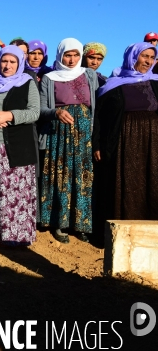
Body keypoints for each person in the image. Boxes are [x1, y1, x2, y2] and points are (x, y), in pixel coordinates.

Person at [38, 38, 98, 243]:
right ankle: (60, 223)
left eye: (75, 55)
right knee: (60, 175)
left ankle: (81, 225)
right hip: (59, 132)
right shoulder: (49, 78)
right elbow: (41, 109)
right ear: (60, 55)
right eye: (67, 55)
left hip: (83, 134)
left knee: (82, 176)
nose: (71, 60)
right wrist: (56, 112)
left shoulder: (89, 75)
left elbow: (94, 107)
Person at [93, 42, 158, 222]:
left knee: (153, 180)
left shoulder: (155, 82)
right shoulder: (112, 86)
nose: (148, 61)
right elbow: (99, 118)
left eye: (152, 58)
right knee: (127, 181)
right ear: (132, 57)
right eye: (144, 56)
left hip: (154, 142)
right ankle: (125, 224)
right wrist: (97, 144)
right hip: (124, 142)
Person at [0, 46, 40, 246]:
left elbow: (34, 112)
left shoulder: (27, 82)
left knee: (16, 193)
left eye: (12, 62)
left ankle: (16, 236)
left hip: (18, 146)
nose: (7, 66)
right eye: (4, 61)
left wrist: (10, 115)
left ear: (19, 63)